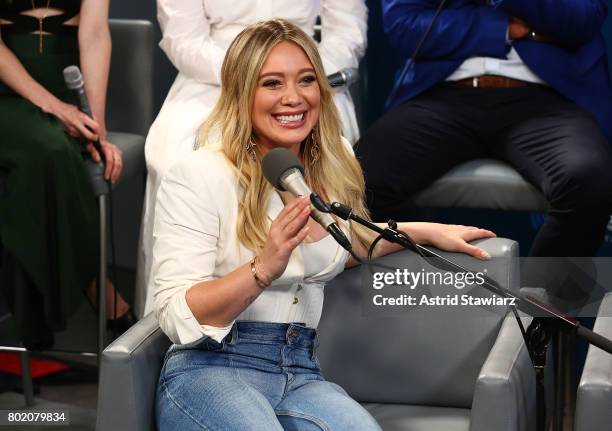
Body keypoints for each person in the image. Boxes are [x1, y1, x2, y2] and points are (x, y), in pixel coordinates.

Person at [152, 19, 496, 430]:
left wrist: (417, 231)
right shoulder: (199, 174)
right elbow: (175, 313)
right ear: (243, 94)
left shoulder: (333, 166)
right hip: (210, 366)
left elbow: (341, 243)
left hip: (299, 369)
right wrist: (262, 269)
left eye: (305, 80)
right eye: (272, 83)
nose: (293, 98)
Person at [136, 0, 368, 318]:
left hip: (308, 63)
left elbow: (347, 29)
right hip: (211, 78)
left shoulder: (301, 84)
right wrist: (251, 72)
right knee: (176, 158)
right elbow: (183, 39)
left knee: (330, 149)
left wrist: (301, 72)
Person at [356, 0, 612, 258]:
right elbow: (405, 25)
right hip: (443, 96)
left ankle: (548, 297)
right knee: (359, 174)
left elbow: (583, 18)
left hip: (547, 99)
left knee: (589, 179)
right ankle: (429, 281)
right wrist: (501, 28)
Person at [0, 0, 128, 348]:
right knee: (49, 150)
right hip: (7, 87)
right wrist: (56, 108)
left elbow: (94, 34)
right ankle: (98, 288)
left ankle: (28, 324)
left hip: (63, 83)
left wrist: (94, 127)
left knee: (47, 157)